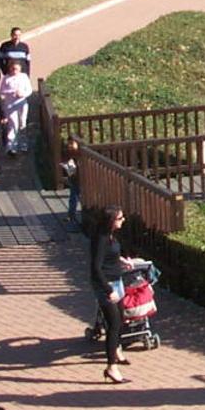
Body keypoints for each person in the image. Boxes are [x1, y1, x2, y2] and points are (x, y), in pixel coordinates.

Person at [90, 206, 131, 383]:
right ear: (111, 221)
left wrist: (121, 260)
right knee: (113, 324)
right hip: (107, 286)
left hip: (117, 281)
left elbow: (111, 255)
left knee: (121, 319)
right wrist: (109, 290)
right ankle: (111, 367)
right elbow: (96, 268)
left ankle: (116, 350)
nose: (123, 220)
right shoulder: (101, 239)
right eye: (120, 218)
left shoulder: (112, 236)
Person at [0, 58, 33, 154]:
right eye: (13, 69)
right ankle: (12, 146)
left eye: (17, 69)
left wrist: (23, 94)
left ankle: (23, 144)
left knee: (22, 123)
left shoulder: (24, 77)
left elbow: (29, 90)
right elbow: (1, 91)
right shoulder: (6, 78)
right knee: (13, 125)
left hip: (21, 103)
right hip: (10, 104)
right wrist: (11, 92)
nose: (15, 71)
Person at [62, 136, 81, 225]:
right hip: (74, 178)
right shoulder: (70, 154)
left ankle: (71, 214)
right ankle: (71, 214)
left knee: (76, 196)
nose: (69, 146)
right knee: (73, 196)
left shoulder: (80, 154)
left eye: (71, 143)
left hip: (80, 178)